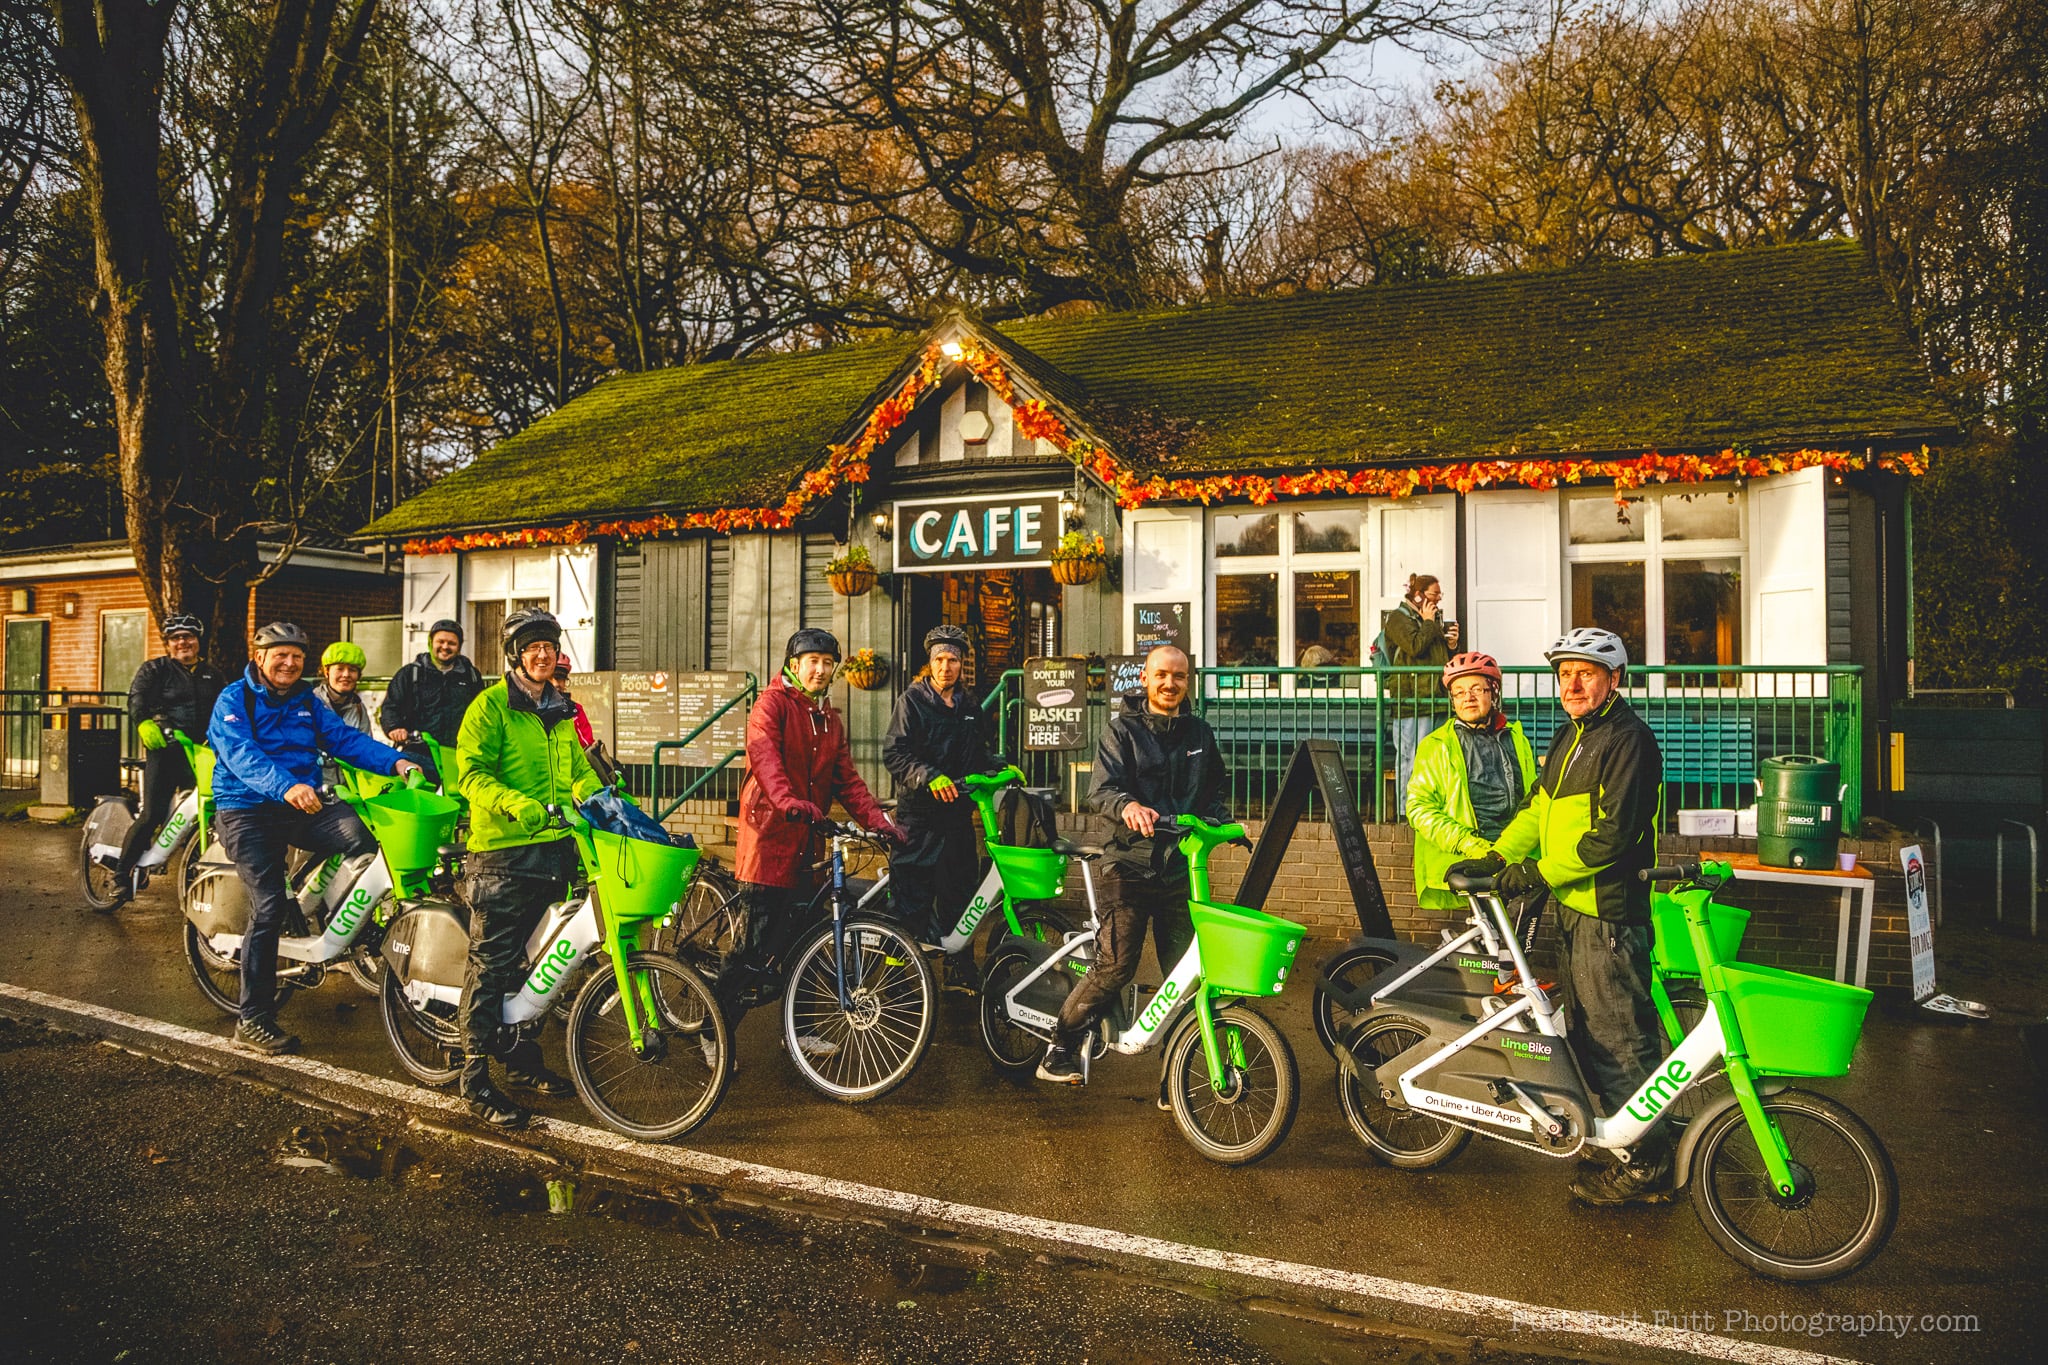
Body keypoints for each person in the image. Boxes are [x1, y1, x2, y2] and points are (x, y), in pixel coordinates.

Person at [1449, 627, 1667, 1206]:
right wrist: (1498, 858)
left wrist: (1539, 873)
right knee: (1590, 1034)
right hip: (1572, 909)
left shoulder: (1629, 741)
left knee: (1618, 1038)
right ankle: (1624, 1137)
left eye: (1586, 673)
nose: (1572, 683)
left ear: (1614, 680)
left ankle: (1646, 1166)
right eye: (1565, 673)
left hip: (1607, 912)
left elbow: (1611, 838)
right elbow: (1537, 810)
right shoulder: (1571, 736)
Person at [208, 622, 419, 1056]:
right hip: (245, 808)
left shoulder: (306, 699)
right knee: (266, 907)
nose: (288, 663)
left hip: (299, 805)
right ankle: (252, 1020)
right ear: (260, 656)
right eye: (279, 655)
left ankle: (321, 915)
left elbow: (344, 739)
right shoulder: (235, 698)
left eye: (297, 657)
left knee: (360, 837)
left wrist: (397, 763)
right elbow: (241, 754)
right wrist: (285, 785)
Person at [1039, 644, 1229, 1085]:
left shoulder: (1199, 735)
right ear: (1144, 679)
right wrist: (1128, 807)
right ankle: (1061, 1044)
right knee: (1117, 967)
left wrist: (1224, 823)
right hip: (1127, 865)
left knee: (1185, 975)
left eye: (1179, 676)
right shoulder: (1121, 731)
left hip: (1180, 868)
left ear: (1188, 683)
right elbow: (1100, 791)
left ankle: (1175, 1082)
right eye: (1161, 675)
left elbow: (1214, 791)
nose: (1170, 683)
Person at [452, 608, 603, 1129]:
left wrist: (603, 796)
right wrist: (517, 804)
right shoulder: (490, 706)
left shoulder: (559, 708)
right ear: (515, 654)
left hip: (558, 849)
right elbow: (469, 774)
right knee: (493, 964)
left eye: (550, 646)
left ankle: (519, 1060)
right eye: (532, 646)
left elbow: (579, 770)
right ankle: (474, 1077)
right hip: (504, 854)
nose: (543, 655)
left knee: (540, 965)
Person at [727, 629, 900, 1018]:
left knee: (803, 944)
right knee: (751, 948)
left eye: (827, 664)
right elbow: (765, 758)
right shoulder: (770, 705)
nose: (820, 670)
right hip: (767, 840)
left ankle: (801, 1027)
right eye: (812, 663)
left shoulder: (828, 720)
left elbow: (847, 780)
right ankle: (715, 1029)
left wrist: (878, 821)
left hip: (807, 844)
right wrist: (787, 800)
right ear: (794, 666)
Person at [1406, 652, 1542, 982]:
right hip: (1469, 852)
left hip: (1512, 846)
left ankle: (1504, 978)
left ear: (1493, 692)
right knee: (1505, 917)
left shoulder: (1515, 736)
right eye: (1459, 692)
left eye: (1477, 689)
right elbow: (1419, 808)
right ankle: (1507, 979)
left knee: (1536, 887)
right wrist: (1470, 844)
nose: (1468, 698)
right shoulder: (1436, 746)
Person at [882, 624, 996, 980]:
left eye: (953, 660)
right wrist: (929, 776)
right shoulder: (912, 701)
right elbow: (895, 753)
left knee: (959, 894)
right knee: (911, 898)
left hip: (957, 817)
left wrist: (1001, 767)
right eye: (940, 660)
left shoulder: (970, 706)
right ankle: (896, 974)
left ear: (962, 665)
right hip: (919, 817)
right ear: (929, 664)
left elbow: (978, 754)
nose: (946, 667)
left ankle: (958, 964)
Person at [108, 612, 226, 901]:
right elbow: (137, 698)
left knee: (210, 810)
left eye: (188, 637)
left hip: (202, 753)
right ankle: (120, 875)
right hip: (166, 751)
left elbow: (227, 708)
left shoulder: (213, 675)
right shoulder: (155, 670)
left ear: (199, 641)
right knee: (153, 814)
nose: (182, 642)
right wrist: (144, 722)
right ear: (168, 643)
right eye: (175, 638)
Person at [1381, 573, 1459, 818]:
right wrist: (1428, 623)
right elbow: (1414, 647)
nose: (1438, 600)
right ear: (1418, 595)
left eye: (1439, 595)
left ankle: (1431, 808)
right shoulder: (1398, 619)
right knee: (1410, 758)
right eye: (1434, 594)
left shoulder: (1428, 620)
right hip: (1412, 702)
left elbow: (1433, 655)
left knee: (1437, 757)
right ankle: (1407, 812)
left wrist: (1452, 645)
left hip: (1435, 700)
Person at [378, 618, 486, 781]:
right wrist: (394, 727)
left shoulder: (470, 676)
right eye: (440, 641)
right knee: (418, 801)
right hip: (418, 752)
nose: (445, 647)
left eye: (451, 643)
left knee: (458, 802)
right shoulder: (410, 674)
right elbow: (391, 706)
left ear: (459, 646)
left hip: (457, 754)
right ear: (431, 643)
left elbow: (481, 711)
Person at [314, 641, 374, 735]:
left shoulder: (359, 708)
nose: (346, 675)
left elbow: (367, 745)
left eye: (352, 670)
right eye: (340, 669)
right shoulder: (310, 703)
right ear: (326, 672)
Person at [552, 651, 596, 749]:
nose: (555, 684)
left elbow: (587, 747)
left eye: (560, 678)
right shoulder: (527, 710)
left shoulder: (575, 711)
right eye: (549, 678)